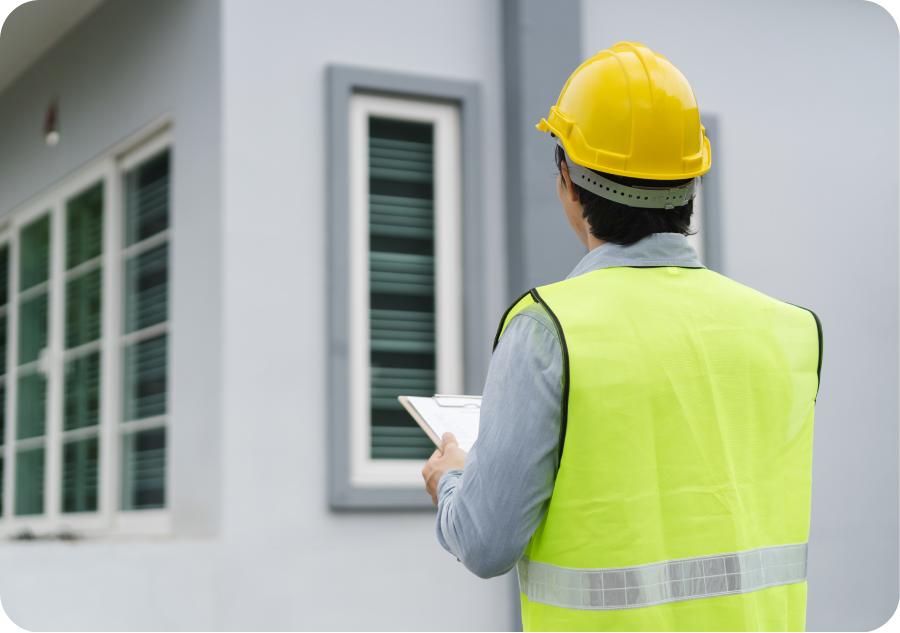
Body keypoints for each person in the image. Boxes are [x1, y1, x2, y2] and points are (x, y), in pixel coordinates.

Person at [420, 41, 822, 632]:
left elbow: (484, 542)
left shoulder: (546, 330)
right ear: (692, 181)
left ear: (567, 179)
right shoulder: (791, 331)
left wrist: (452, 477)